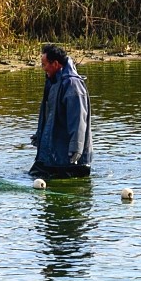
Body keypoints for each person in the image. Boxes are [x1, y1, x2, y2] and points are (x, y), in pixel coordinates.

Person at [30, 43, 92, 179]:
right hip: (52, 154)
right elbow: (49, 114)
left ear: (56, 64)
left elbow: (78, 121)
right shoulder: (52, 82)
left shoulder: (72, 85)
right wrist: (39, 135)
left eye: (44, 64)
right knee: (34, 177)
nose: (43, 68)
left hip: (69, 160)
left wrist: (76, 149)